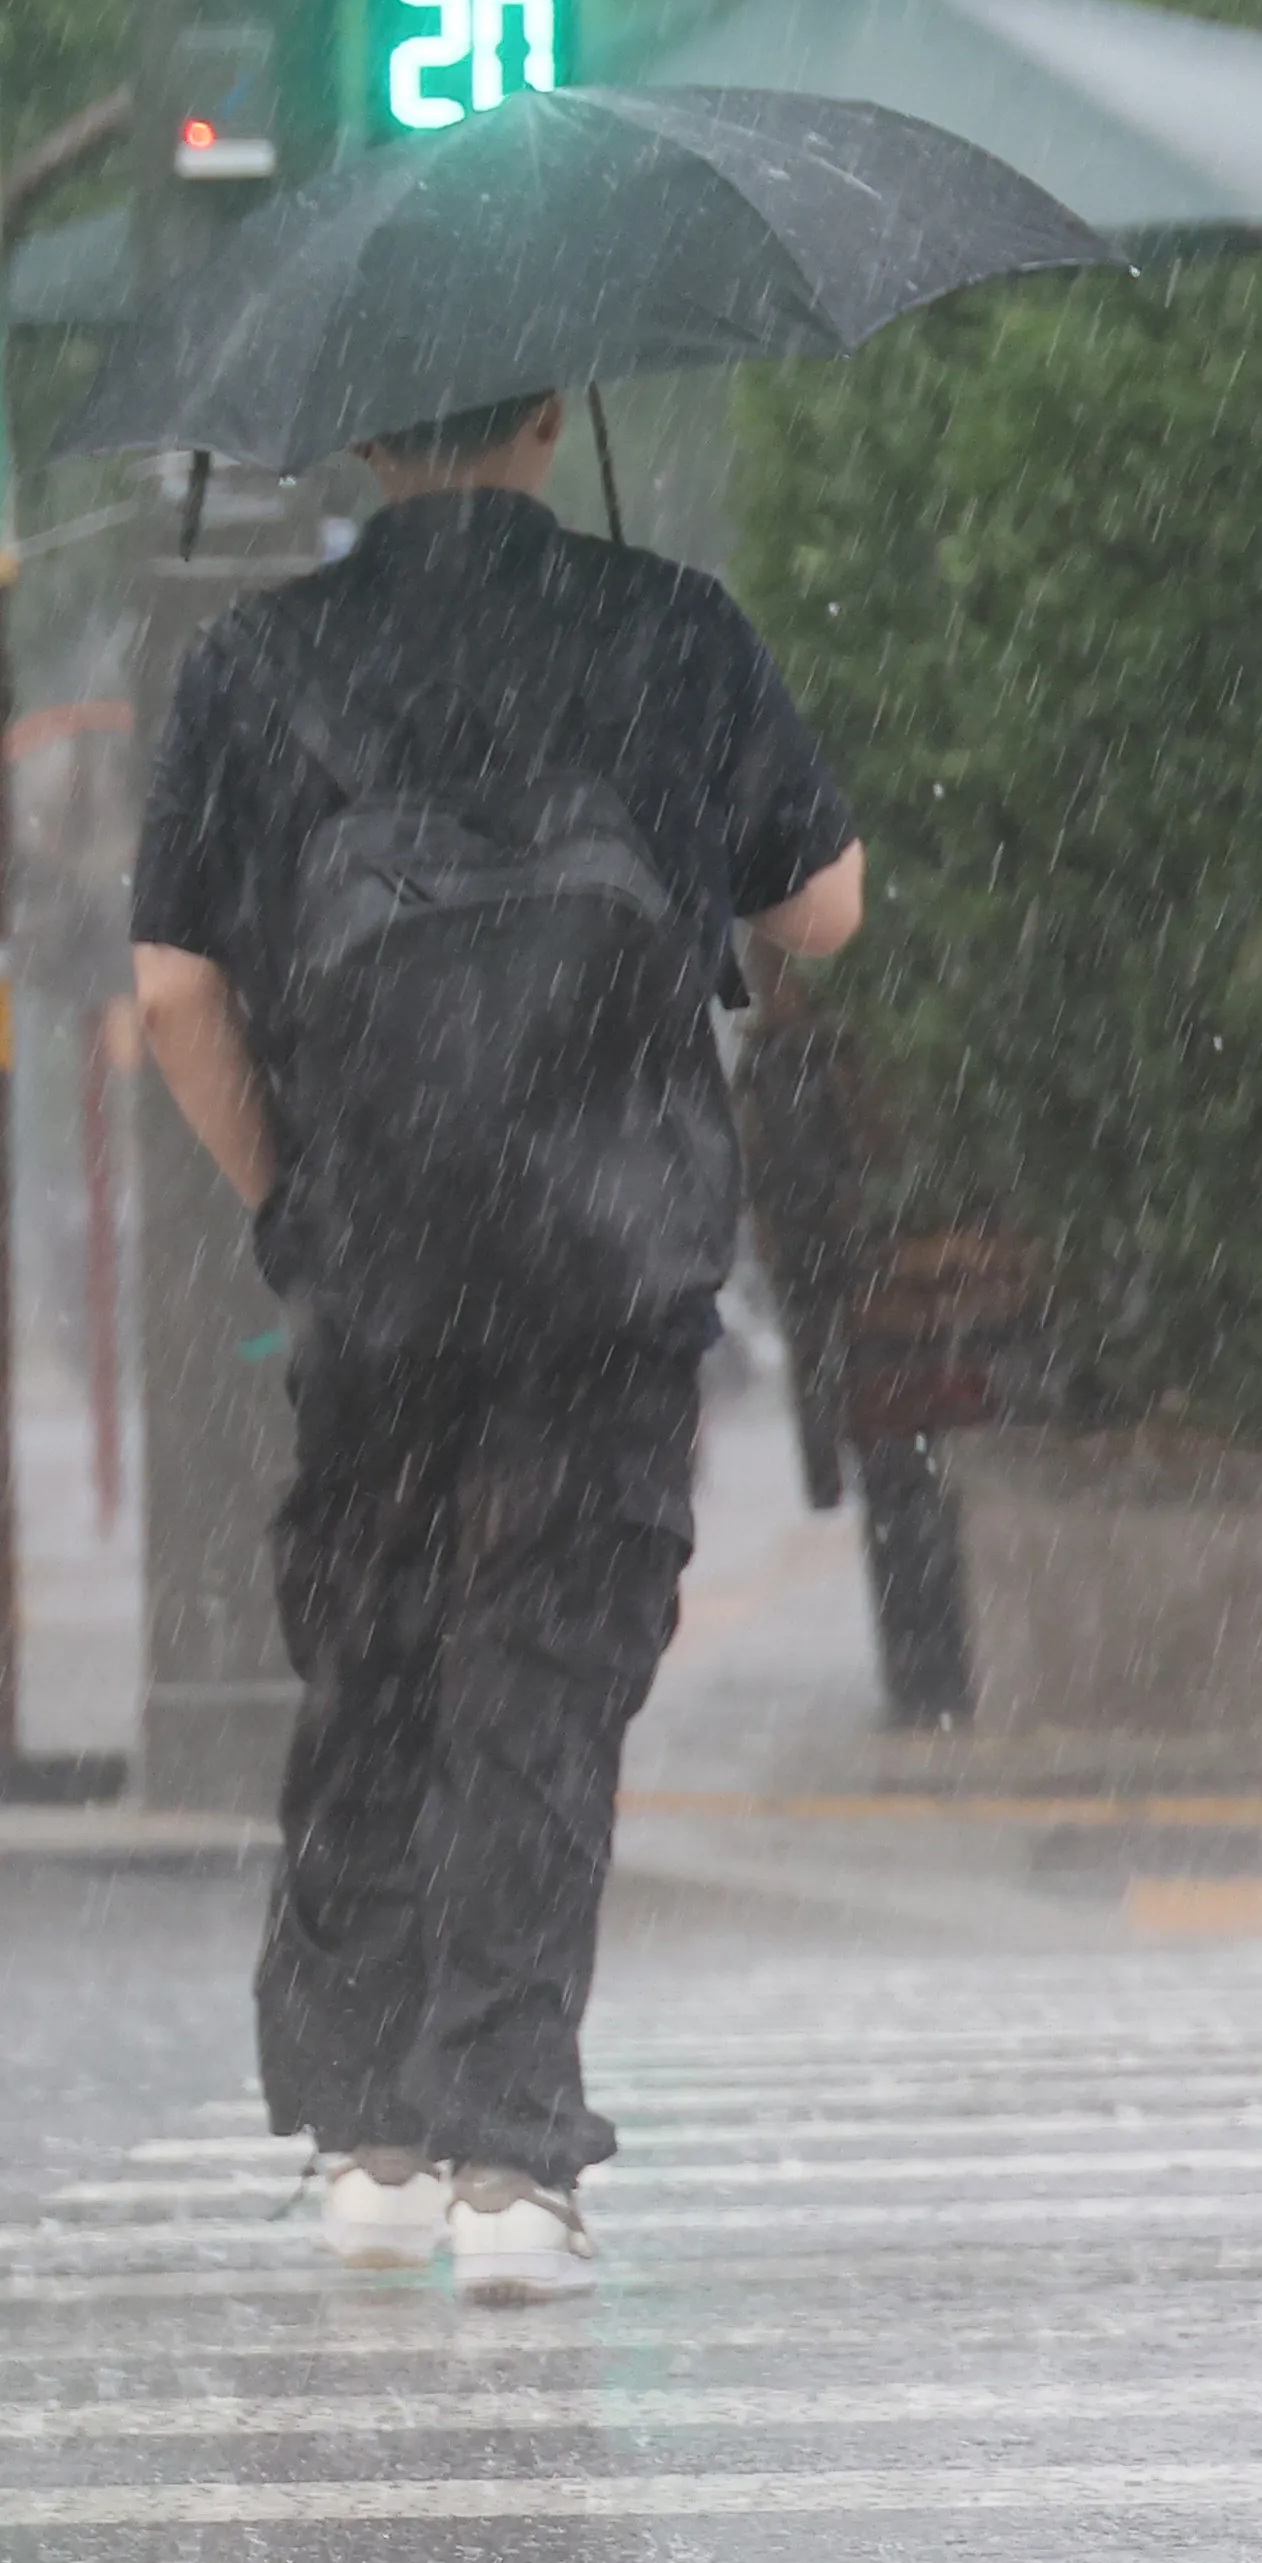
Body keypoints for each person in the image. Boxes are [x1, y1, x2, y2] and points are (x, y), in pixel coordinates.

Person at [127, 386, 866, 2300]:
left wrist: (294, 1195)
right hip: (611, 1263)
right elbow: (832, 910)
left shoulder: (251, 663)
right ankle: (510, 2158)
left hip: (376, 1262)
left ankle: (368, 2121)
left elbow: (174, 989)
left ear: (359, 437)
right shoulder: (676, 625)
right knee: (546, 1668)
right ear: (555, 414)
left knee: (373, 1645)